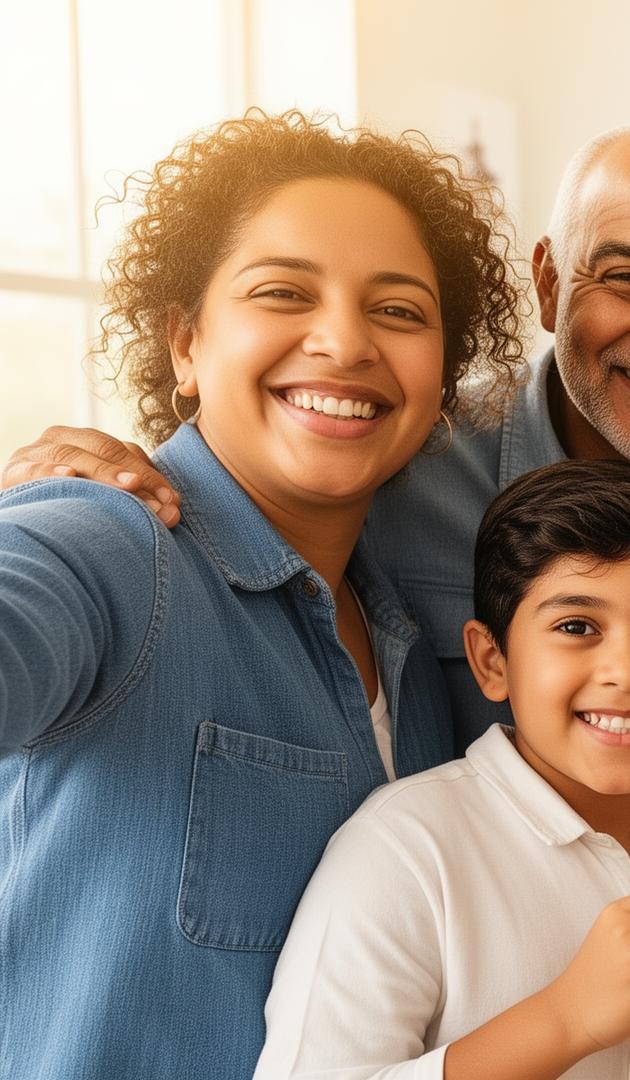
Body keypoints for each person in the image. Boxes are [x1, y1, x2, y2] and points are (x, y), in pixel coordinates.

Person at [1, 119, 630, 755]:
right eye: (627, 279)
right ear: (547, 283)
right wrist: (88, 485)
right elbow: (214, 493)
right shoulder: (394, 465)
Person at [0, 110, 523, 1078]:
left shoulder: (410, 643)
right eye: (284, 291)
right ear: (188, 344)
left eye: (399, 310)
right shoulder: (109, 540)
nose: (344, 341)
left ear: (442, 381)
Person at [256, 459, 630, 1079]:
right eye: (576, 626)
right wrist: (569, 1017)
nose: (628, 670)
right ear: (492, 659)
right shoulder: (405, 848)